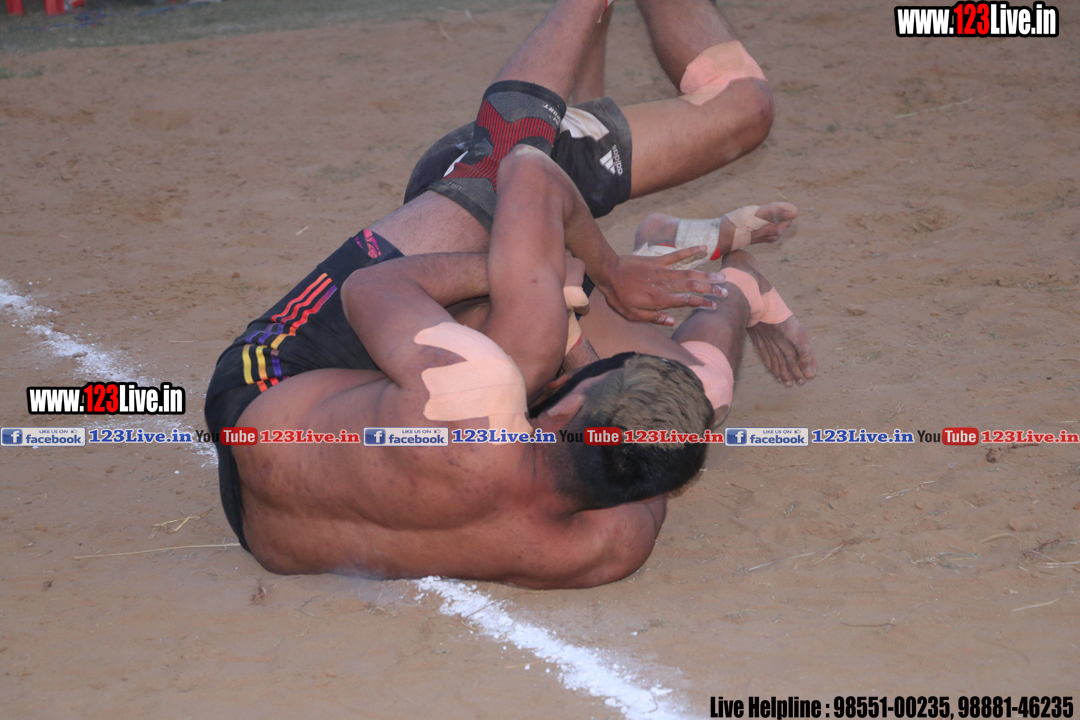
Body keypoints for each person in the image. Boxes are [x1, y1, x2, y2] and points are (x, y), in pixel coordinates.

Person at [204, 0, 816, 587]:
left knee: (508, 214)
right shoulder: (607, 549)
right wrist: (582, 288)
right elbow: (661, 455)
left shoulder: (476, 391)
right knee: (696, 396)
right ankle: (714, 276)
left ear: (564, 412)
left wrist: (549, 276)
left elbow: (378, 283)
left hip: (268, 394)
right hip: (274, 522)